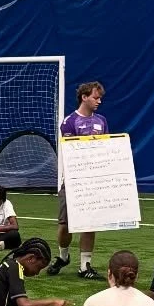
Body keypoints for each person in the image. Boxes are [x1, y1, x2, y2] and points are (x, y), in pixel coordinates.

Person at [49, 80, 108, 279]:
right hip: (74, 180)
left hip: (94, 181)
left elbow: (105, 148)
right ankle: (63, 256)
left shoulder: (102, 121)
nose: (99, 101)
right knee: (65, 223)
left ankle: (85, 265)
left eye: (100, 98)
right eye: (95, 97)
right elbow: (72, 150)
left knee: (89, 223)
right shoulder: (69, 122)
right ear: (84, 97)